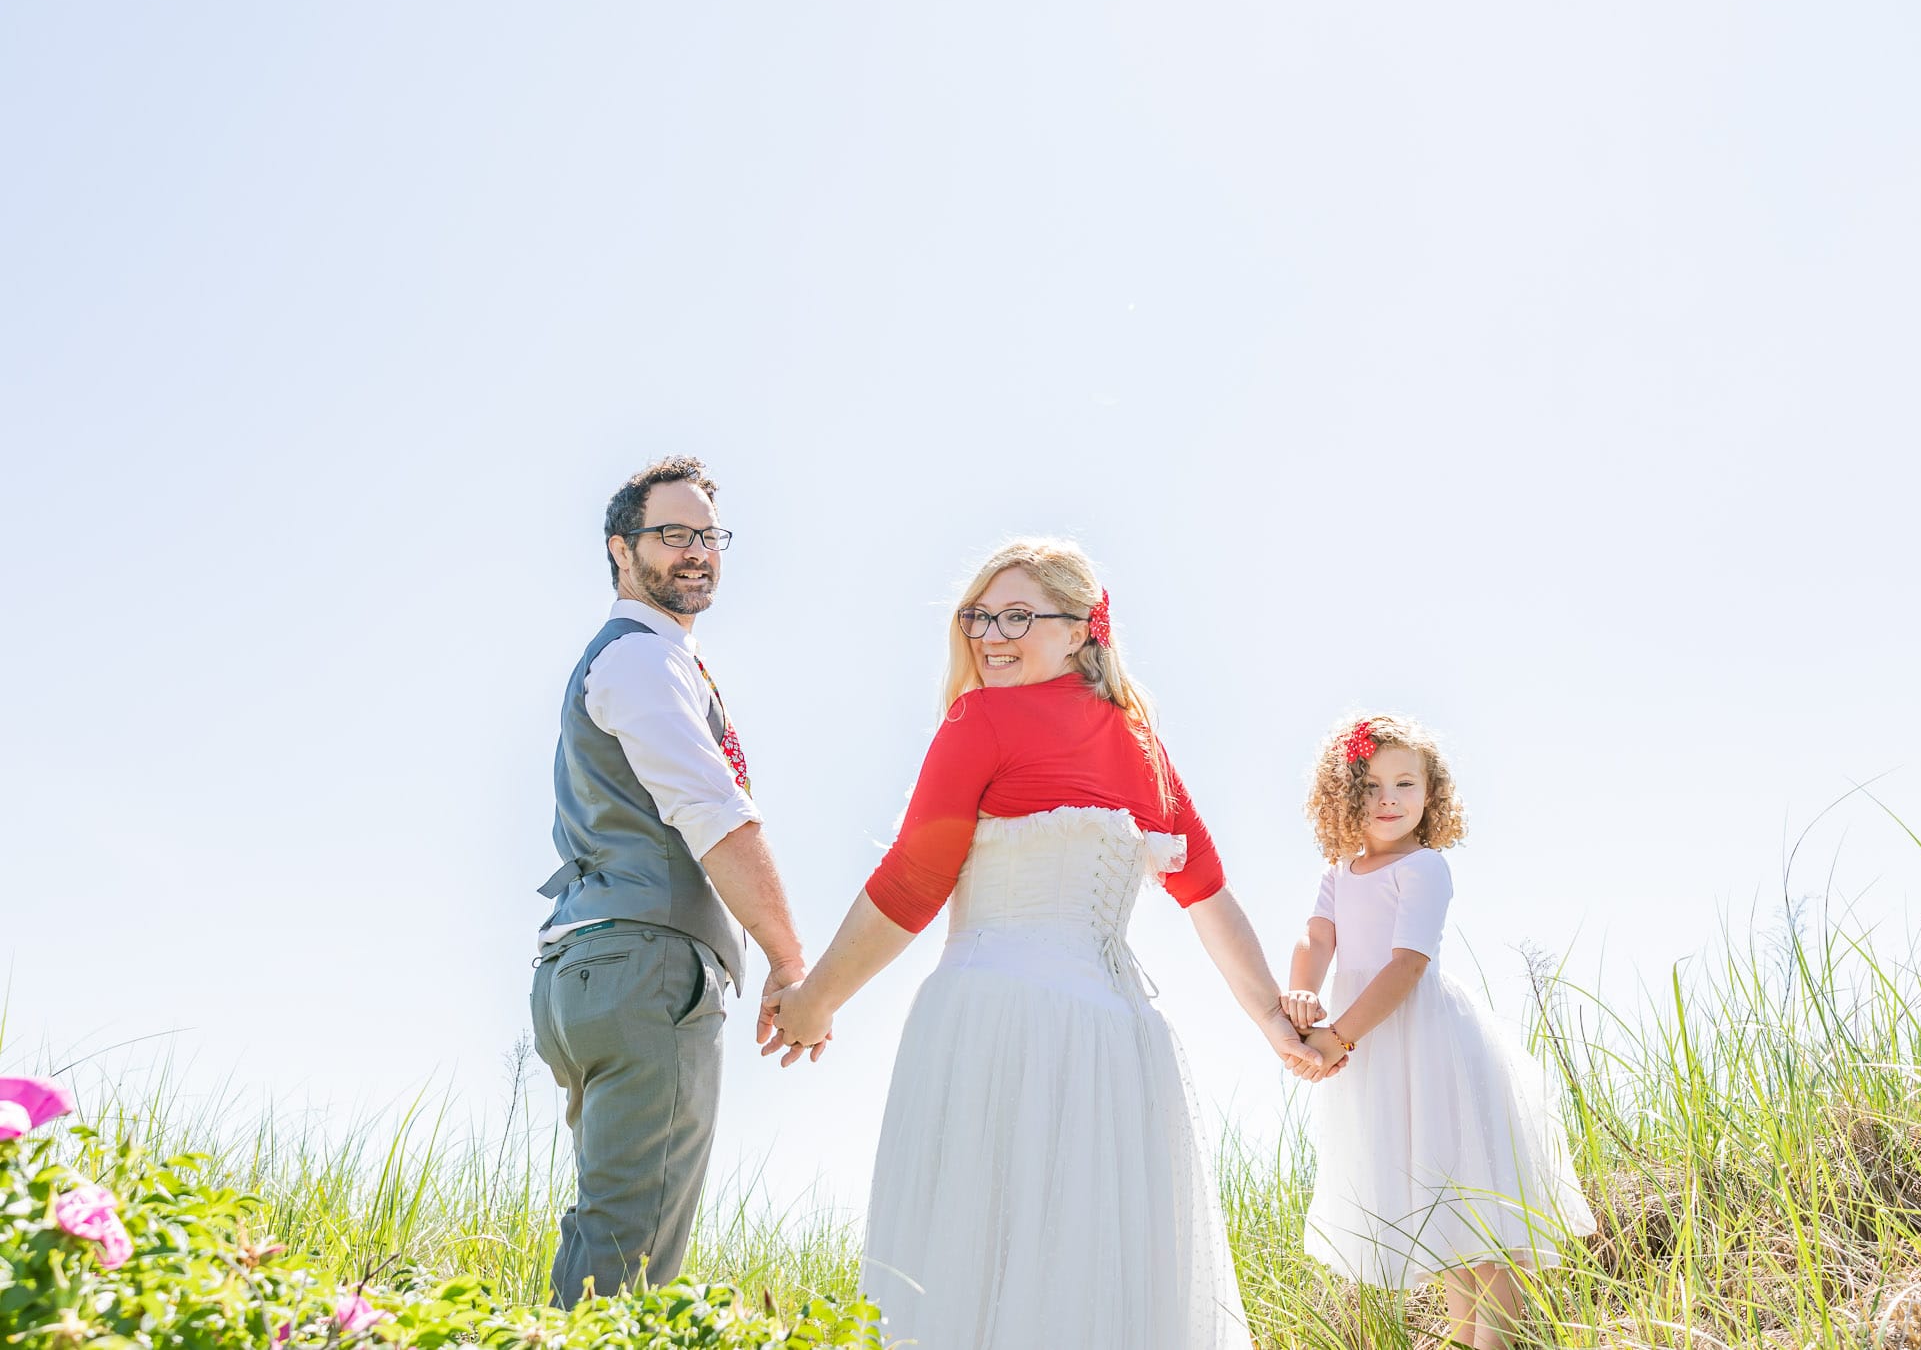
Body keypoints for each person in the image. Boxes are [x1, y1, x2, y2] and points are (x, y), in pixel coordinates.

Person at [761, 538, 1336, 1350]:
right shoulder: (1141, 744)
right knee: (1095, 1284)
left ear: (1081, 630)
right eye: (979, 614)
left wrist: (813, 1001)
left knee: (973, 1269)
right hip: (1120, 1045)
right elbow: (1207, 895)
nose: (992, 634)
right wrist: (1273, 1019)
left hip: (997, 1020)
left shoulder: (981, 718)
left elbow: (913, 881)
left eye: (1019, 616)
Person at [529, 456, 814, 1305]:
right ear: (621, 549)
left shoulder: (648, 661)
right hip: (645, 969)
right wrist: (789, 961)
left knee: (610, 1231)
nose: (696, 551)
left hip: (594, 969)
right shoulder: (640, 660)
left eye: (709, 535)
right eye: (672, 533)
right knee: (632, 1261)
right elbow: (716, 815)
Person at [1283, 712, 1593, 1350]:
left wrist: (1337, 1037)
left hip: (1427, 1043)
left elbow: (1407, 966)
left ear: (1432, 795)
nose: (1389, 799)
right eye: (1370, 785)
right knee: (1438, 1208)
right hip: (1374, 1052)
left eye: (1405, 784)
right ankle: (1462, 1340)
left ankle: (1496, 1342)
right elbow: (1318, 937)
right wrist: (1305, 988)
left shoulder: (1423, 868)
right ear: (1342, 795)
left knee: (1480, 1207)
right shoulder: (1340, 870)